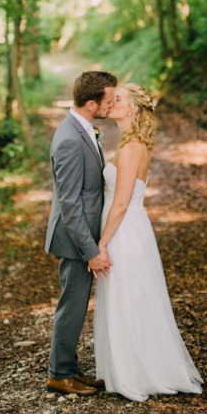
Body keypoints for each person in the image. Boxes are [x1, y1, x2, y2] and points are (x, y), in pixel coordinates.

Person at [94, 83, 204, 402]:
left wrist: (100, 245)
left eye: (118, 100)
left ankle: (139, 372)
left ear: (134, 109)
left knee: (131, 296)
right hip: (126, 229)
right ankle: (132, 367)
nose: (111, 103)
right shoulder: (131, 143)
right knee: (129, 295)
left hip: (123, 232)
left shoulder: (132, 148)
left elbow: (121, 204)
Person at [45, 70, 117, 396]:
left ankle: (70, 369)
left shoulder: (83, 128)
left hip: (82, 234)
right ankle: (59, 374)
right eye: (108, 99)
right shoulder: (71, 140)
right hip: (75, 239)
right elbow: (70, 205)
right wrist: (91, 250)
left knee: (74, 302)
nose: (112, 104)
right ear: (91, 103)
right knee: (72, 304)